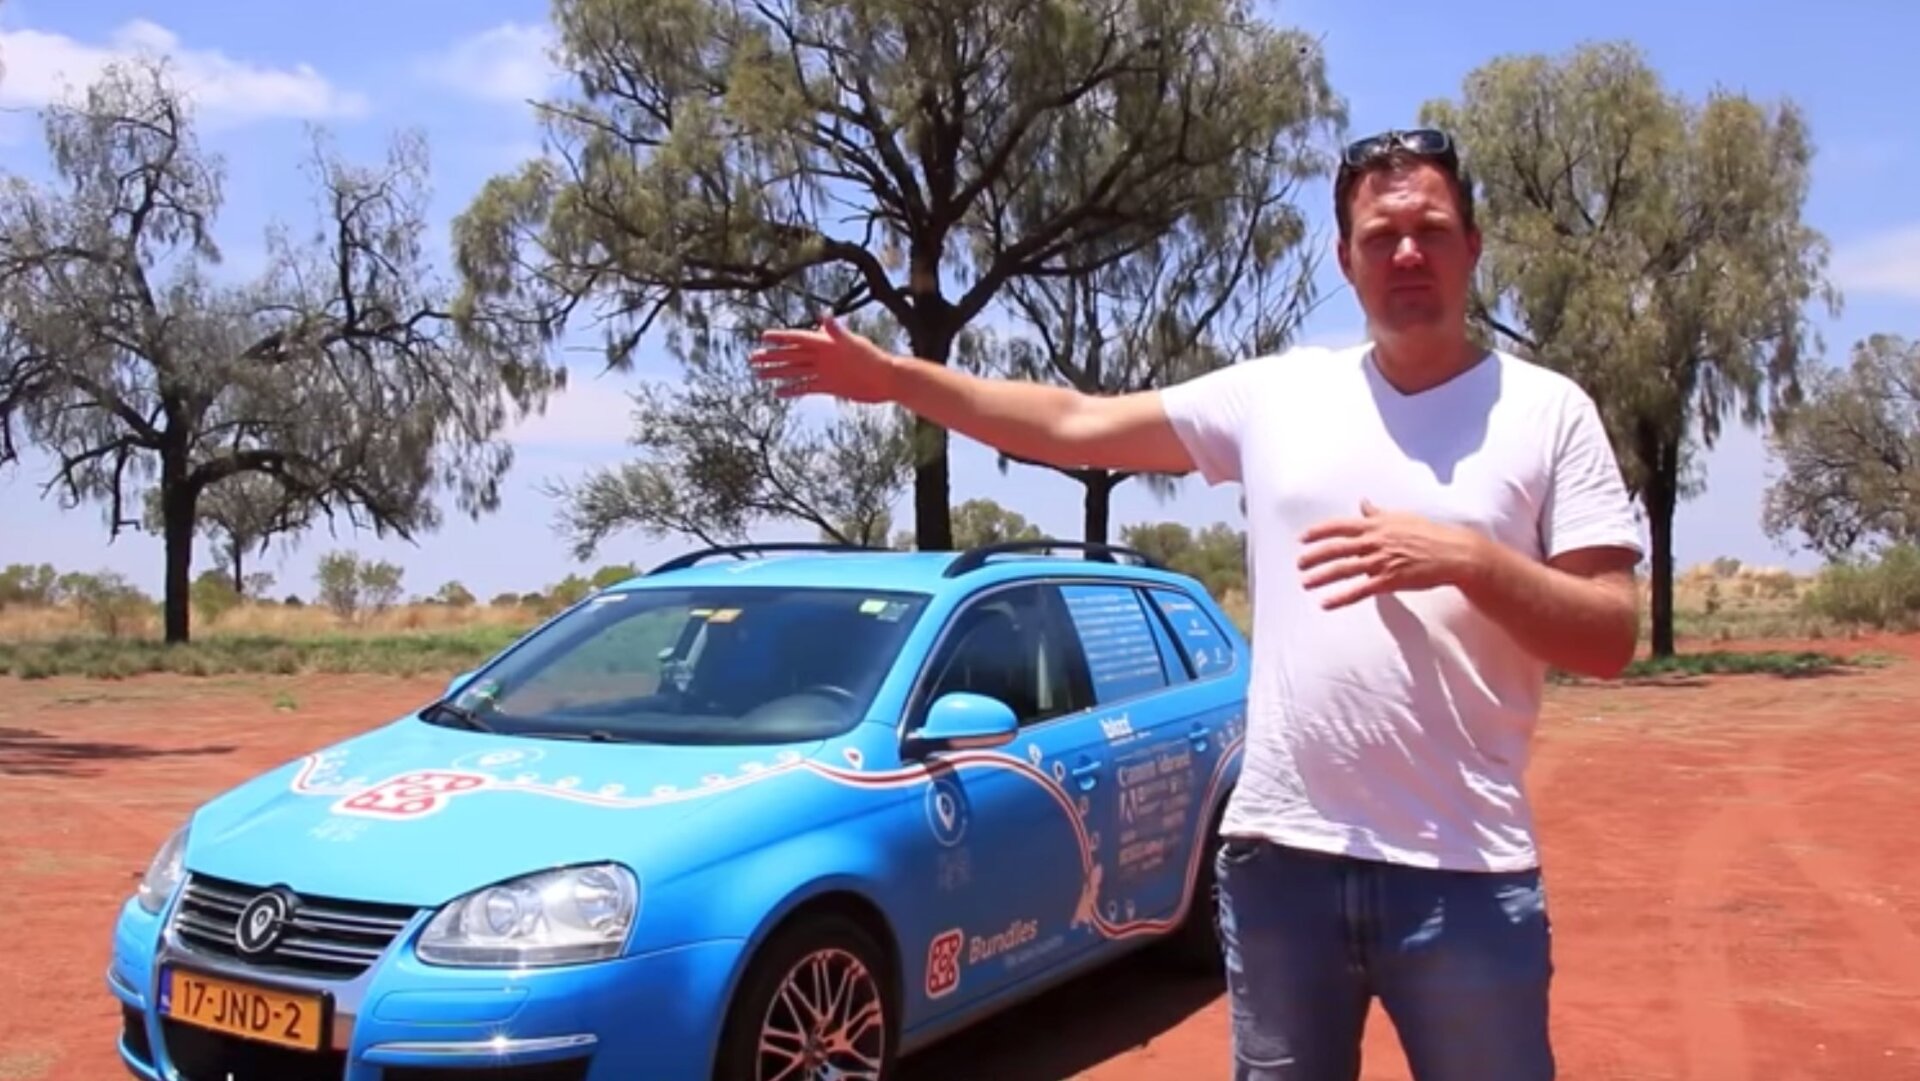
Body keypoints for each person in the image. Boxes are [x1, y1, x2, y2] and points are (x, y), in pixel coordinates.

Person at [748, 127, 1644, 1081]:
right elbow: (1076, 421)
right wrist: (895, 379)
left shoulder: (1548, 412)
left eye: (1430, 228)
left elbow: (1609, 634)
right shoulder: (1279, 396)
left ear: (1473, 244)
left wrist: (1469, 559)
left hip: (1464, 870)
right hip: (1282, 862)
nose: (1408, 252)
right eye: (1381, 236)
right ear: (1346, 259)